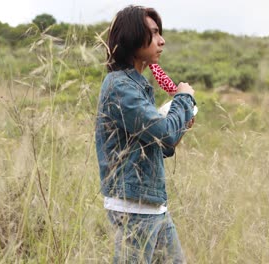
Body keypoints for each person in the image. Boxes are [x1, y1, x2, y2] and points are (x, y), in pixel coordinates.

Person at [95, 5, 196, 264]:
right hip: (134, 209)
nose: (161, 40)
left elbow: (162, 145)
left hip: (153, 206)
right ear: (132, 37)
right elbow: (164, 134)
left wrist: (181, 123)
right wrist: (183, 99)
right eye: (153, 33)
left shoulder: (136, 86)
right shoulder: (120, 86)